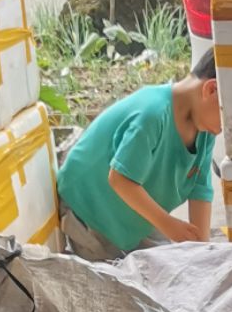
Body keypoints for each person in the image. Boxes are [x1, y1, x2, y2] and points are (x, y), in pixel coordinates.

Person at [58, 52, 221, 261]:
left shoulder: (205, 130)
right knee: (118, 284)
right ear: (211, 89)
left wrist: (201, 250)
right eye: (227, 116)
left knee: (170, 268)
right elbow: (120, 179)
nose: (226, 129)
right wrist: (167, 224)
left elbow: (200, 189)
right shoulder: (153, 113)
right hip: (92, 213)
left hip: (136, 219)